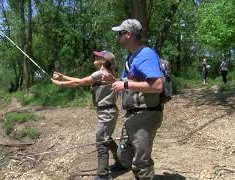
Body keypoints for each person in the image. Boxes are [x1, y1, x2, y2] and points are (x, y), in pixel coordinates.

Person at [103, 19, 164, 180]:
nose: (117, 37)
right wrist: (115, 80)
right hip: (133, 114)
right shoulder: (131, 57)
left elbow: (157, 85)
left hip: (146, 114)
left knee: (140, 162)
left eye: (119, 33)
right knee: (124, 154)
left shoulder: (146, 54)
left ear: (128, 34)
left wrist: (125, 84)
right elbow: (130, 83)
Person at [51, 51, 120, 180]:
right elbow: (80, 80)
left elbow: (79, 83)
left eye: (98, 56)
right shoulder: (104, 73)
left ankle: (103, 175)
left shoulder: (101, 73)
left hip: (107, 112)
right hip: (108, 111)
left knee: (101, 142)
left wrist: (59, 84)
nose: (95, 56)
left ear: (103, 61)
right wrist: (62, 76)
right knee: (106, 138)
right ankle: (121, 161)